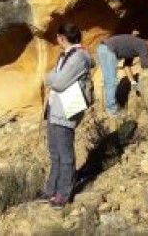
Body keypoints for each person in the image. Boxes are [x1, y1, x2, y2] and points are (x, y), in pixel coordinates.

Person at [39, 23, 94, 209]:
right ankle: (51, 189)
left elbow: (59, 82)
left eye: (58, 37)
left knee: (65, 154)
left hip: (66, 110)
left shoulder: (79, 57)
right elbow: (50, 78)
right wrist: (53, 78)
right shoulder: (66, 55)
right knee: (54, 153)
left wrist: (52, 79)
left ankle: (63, 194)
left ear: (62, 37)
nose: (57, 40)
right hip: (55, 109)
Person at [96, 31, 148, 116]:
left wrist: (133, 82)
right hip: (108, 50)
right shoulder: (143, 45)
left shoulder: (134, 46)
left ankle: (108, 110)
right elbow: (145, 66)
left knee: (109, 81)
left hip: (103, 48)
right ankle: (112, 111)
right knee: (111, 81)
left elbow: (126, 66)